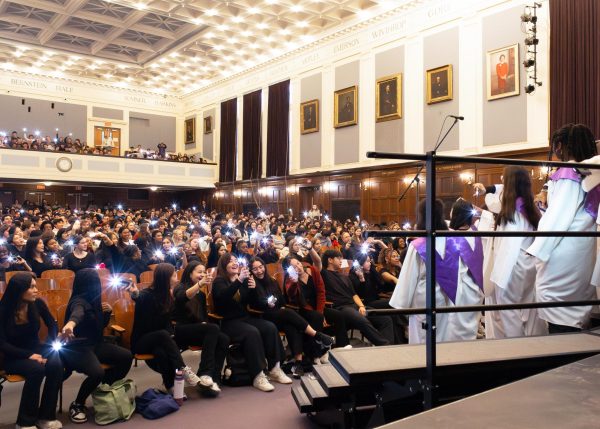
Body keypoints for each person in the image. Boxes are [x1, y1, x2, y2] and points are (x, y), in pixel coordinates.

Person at [526, 123, 599, 333]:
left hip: (564, 248)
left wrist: (537, 250)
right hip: (583, 246)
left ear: (560, 145)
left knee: (557, 304)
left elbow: (558, 218)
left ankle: (562, 357)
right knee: (577, 301)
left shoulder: (569, 171)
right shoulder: (588, 172)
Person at [390, 199, 484, 344]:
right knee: (444, 340)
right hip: (447, 299)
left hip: (425, 298)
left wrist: (402, 304)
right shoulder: (453, 241)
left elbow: (408, 278)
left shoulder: (418, 245)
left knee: (424, 342)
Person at [474, 166, 547, 338]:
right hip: (528, 267)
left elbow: (508, 248)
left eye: (504, 180)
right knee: (528, 311)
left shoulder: (512, 213)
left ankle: (516, 348)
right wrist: (489, 188)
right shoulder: (527, 207)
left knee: (509, 311)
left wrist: (499, 279)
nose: (501, 183)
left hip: (512, 268)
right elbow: (495, 197)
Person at [129, 263, 217, 395]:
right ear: (165, 278)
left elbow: (167, 321)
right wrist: (135, 294)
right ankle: (184, 369)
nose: (177, 278)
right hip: (142, 341)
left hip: (159, 340)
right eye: (174, 275)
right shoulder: (147, 294)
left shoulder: (168, 295)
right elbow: (139, 297)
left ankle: (170, 384)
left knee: (162, 352)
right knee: (164, 335)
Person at [60, 269, 133, 424]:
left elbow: (100, 326)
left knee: (126, 357)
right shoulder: (78, 301)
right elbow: (77, 313)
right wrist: (70, 325)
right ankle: (78, 404)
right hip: (78, 348)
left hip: (96, 344)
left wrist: (107, 312)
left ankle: (105, 389)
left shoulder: (95, 301)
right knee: (96, 373)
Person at [212, 253, 292, 392]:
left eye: (236, 260)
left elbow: (252, 303)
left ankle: (275, 368)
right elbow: (223, 298)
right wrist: (239, 281)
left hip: (245, 318)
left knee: (269, 327)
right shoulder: (219, 281)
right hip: (228, 322)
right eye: (231, 261)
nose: (235, 262)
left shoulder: (243, 281)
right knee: (252, 333)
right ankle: (258, 375)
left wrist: (253, 289)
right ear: (223, 265)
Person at [248, 257, 333, 377]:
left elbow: (282, 301)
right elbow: (253, 304)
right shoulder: (251, 283)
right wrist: (265, 302)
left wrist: (275, 303)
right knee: (287, 313)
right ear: (251, 270)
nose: (259, 271)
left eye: (261, 267)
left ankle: (298, 362)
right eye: (255, 269)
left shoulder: (271, 281)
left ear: (264, 267)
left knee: (291, 324)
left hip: (278, 313)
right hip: (263, 316)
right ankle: (318, 335)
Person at [0, 273, 63, 429]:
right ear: (19, 290)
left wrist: (49, 345)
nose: (36, 290)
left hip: (35, 348)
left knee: (56, 364)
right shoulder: (3, 310)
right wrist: (30, 356)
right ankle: (25, 421)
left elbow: (52, 325)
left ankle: (46, 417)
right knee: (36, 369)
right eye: (32, 287)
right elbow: (2, 344)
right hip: (12, 356)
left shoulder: (37, 304)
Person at [173, 261, 229, 390]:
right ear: (189, 273)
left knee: (223, 338)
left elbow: (203, 317)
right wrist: (199, 284)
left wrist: (203, 322)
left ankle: (214, 377)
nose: (203, 275)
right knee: (212, 328)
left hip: (199, 330)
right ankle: (205, 372)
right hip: (182, 330)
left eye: (204, 272)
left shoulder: (202, 295)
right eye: (199, 272)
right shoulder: (180, 288)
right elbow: (183, 297)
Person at [320, 250, 394, 346]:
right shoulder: (323, 273)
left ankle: (387, 347)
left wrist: (361, 306)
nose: (341, 260)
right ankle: (385, 345)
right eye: (338, 258)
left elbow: (354, 295)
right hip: (341, 307)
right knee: (362, 320)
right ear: (330, 260)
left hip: (354, 305)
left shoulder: (344, 276)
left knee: (385, 319)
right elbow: (317, 262)